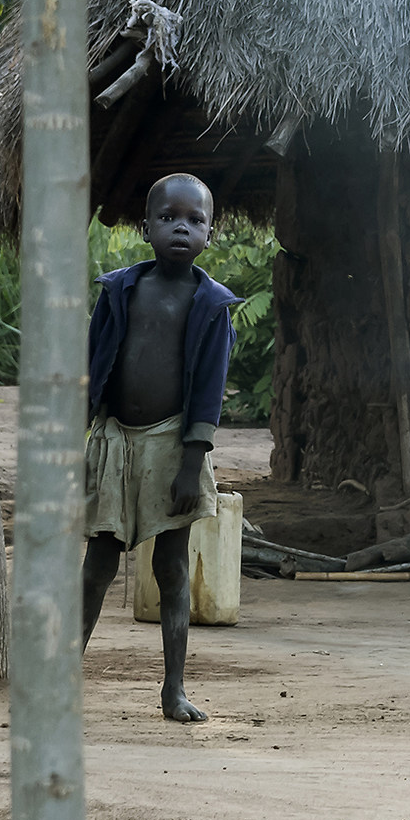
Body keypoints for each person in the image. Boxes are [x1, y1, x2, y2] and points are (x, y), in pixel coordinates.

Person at [79, 173, 240, 723]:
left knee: (171, 568)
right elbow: (93, 367)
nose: (181, 228)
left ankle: (173, 690)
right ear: (146, 227)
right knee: (98, 563)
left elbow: (209, 392)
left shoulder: (211, 306)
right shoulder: (120, 291)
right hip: (116, 440)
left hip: (174, 445)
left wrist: (192, 464)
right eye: (169, 218)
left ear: (209, 234)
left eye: (195, 220)